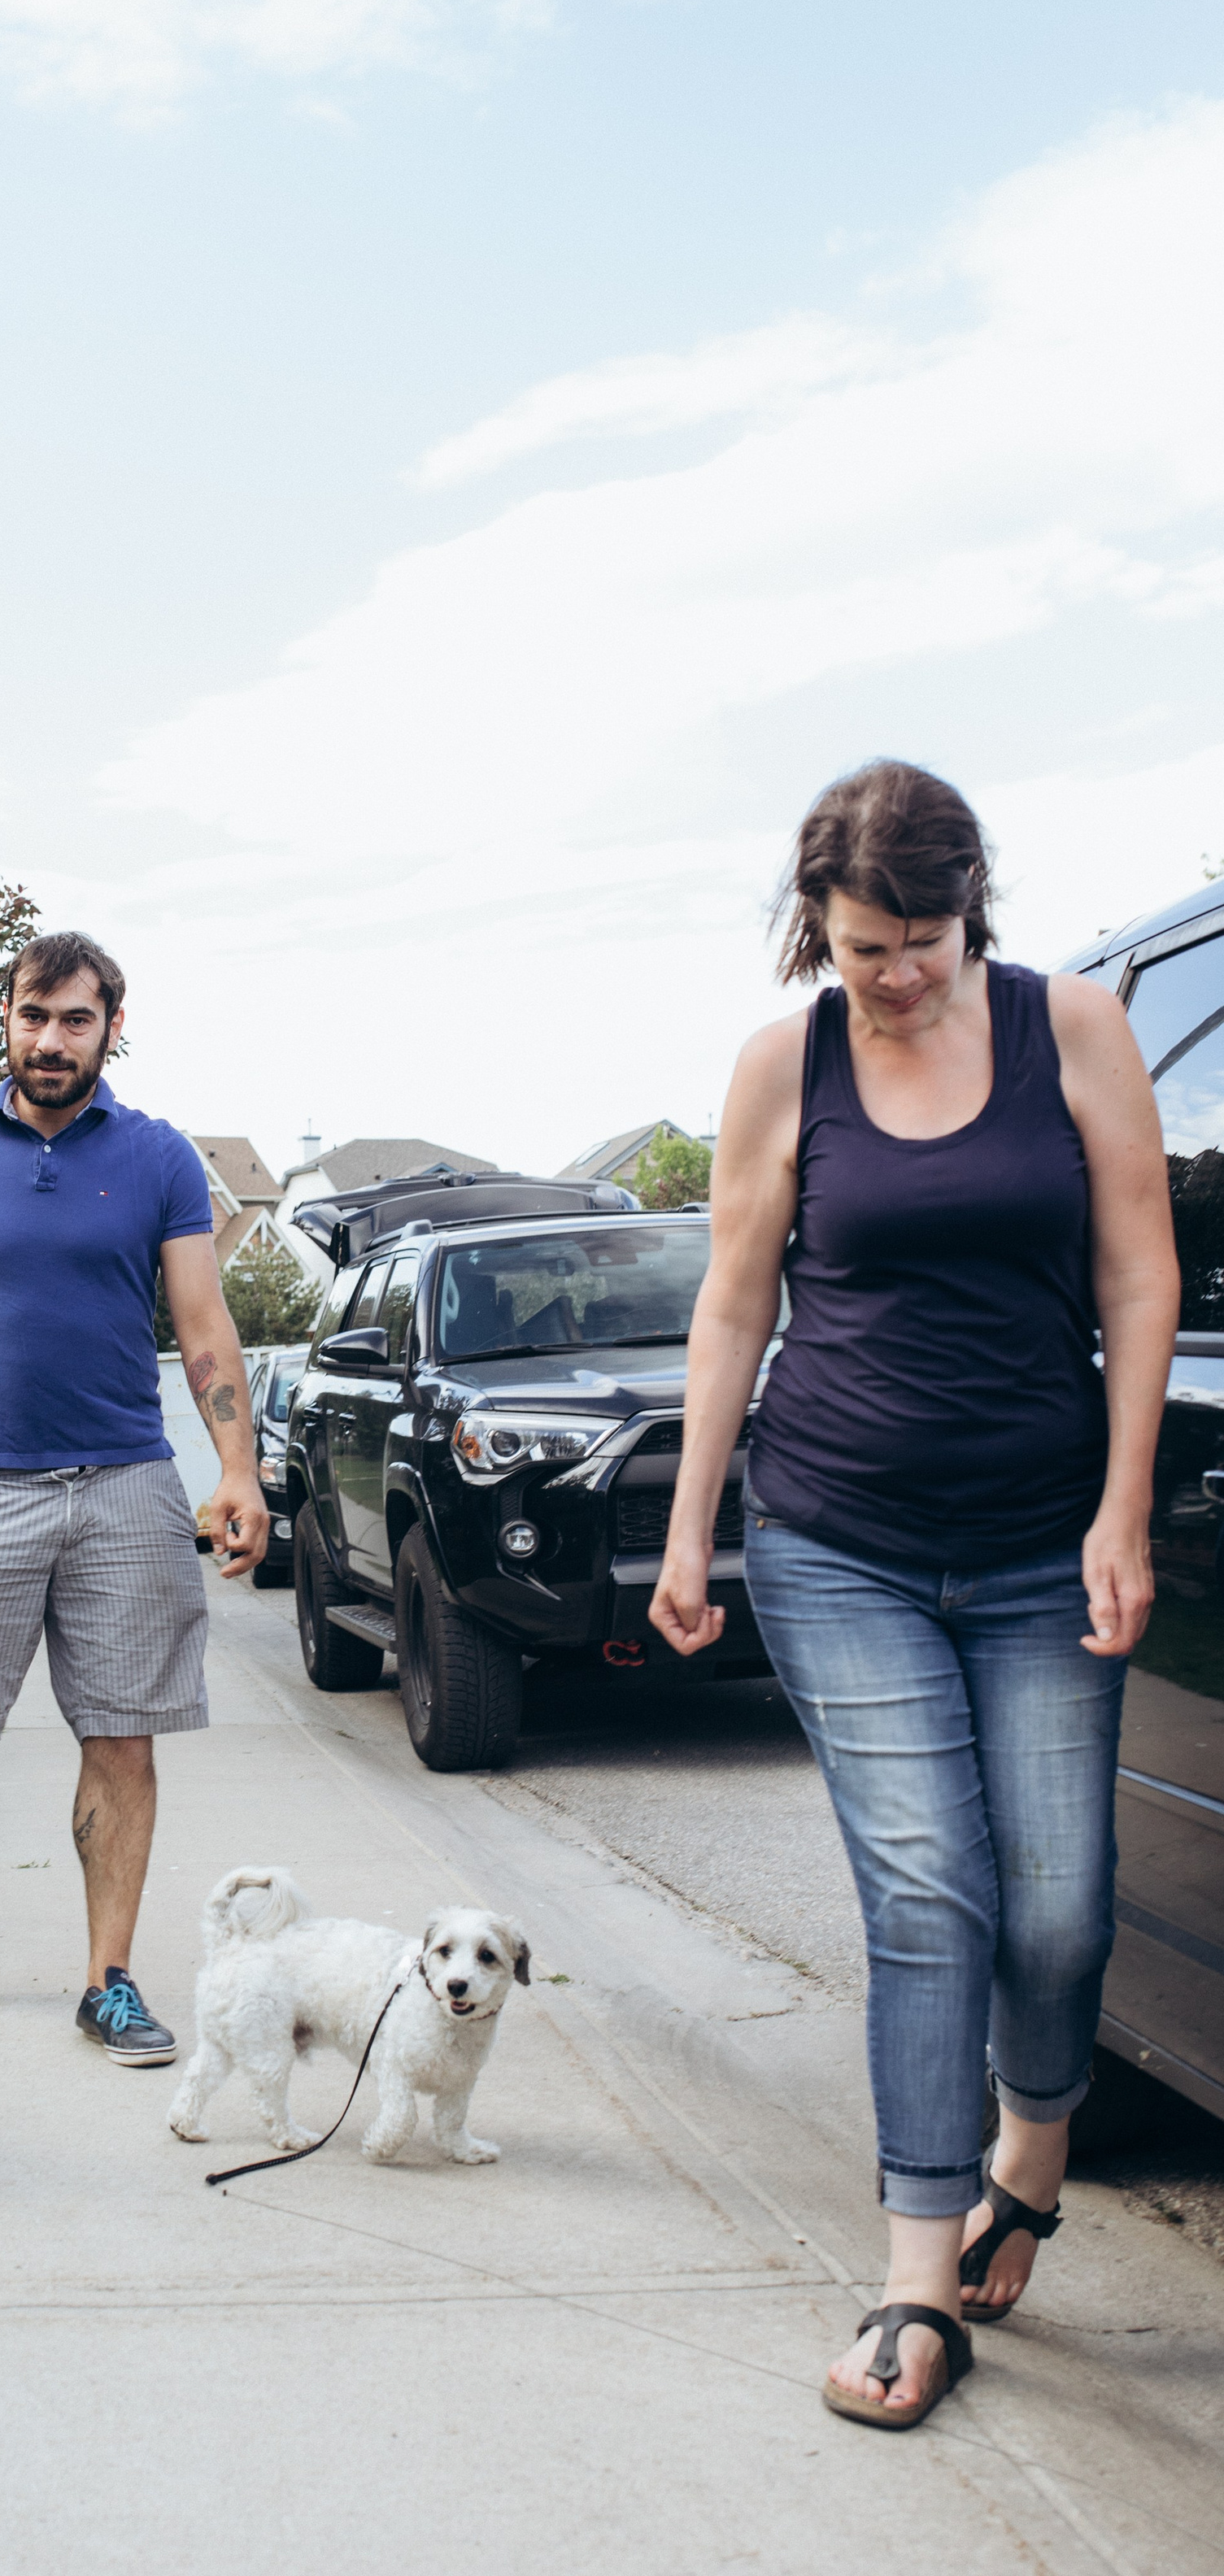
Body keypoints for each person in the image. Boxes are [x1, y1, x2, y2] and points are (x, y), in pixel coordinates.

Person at [649, 761, 1176, 2430]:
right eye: (859, 946)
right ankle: (914, 2278)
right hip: (838, 1537)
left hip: (1040, 1537)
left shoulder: (1071, 1031)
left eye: (919, 945)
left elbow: (1138, 1273)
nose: (890, 977)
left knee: (1058, 1909)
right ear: (818, 923)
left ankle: (1033, 2148)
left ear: (971, 910)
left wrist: (1120, 1507)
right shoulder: (785, 1063)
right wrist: (689, 1528)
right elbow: (733, 1303)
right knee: (930, 1898)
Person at [0, 929, 270, 2067]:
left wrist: (236, 1466)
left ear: (110, 1030)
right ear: (7, 1020)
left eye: (75, 1019)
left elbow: (201, 1320)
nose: (50, 1039)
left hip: (125, 1480)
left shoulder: (159, 1158)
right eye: (32, 1016)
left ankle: (108, 1980)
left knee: (121, 1738)